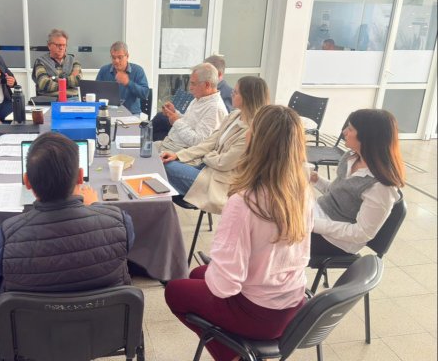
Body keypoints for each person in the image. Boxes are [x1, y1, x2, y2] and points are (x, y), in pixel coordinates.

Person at [165, 105, 313, 361]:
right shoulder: (302, 191)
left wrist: (219, 266)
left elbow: (225, 286)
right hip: (291, 304)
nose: (246, 134)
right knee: (198, 273)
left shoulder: (245, 202)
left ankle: (233, 356)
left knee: (175, 290)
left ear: (256, 142)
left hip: (258, 313)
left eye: (250, 130)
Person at [0, 133, 135, 351]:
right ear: (80, 177)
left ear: (27, 181)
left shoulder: (5, 235)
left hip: (32, 340)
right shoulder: (120, 221)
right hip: (105, 334)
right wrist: (95, 209)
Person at [161, 76, 270, 214]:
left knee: (164, 167)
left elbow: (223, 163)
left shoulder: (251, 131)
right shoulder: (234, 115)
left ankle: (159, 215)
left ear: (248, 98)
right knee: (162, 161)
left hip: (219, 182)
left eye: (236, 92)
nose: (231, 93)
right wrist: (178, 155)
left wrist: (207, 155)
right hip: (206, 168)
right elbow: (209, 143)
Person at [310, 109, 405, 256]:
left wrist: (312, 224)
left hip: (336, 242)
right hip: (319, 218)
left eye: (350, 129)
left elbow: (361, 234)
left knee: (275, 234)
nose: (344, 132)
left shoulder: (381, 187)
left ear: (367, 137)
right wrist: (316, 180)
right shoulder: (351, 158)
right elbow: (339, 194)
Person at [152, 56, 233, 141]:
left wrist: (176, 121)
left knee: (152, 133)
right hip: (172, 141)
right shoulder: (200, 97)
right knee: (156, 124)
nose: (190, 88)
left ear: (207, 85)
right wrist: (174, 112)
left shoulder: (215, 109)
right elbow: (189, 122)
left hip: (179, 147)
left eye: (193, 84)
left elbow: (199, 142)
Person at [96, 41, 149, 115]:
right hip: (108, 112)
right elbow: (96, 92)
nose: (116, 61)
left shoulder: (138, 70)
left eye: (120, 57)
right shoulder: (104, 70)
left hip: (131, 113)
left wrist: (128, 83)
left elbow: (145, 94)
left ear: (127, 56)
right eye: (113, 57)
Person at [31, 28, 82, 99]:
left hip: (72, 99)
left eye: (64, 45)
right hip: (49, 99)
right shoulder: (40, 62)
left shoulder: (74, 61)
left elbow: (77, 80)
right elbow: (44, 84)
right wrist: (68, 81)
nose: (61, 48)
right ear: (49, 45)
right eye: (58, 45)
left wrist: (54, 78)